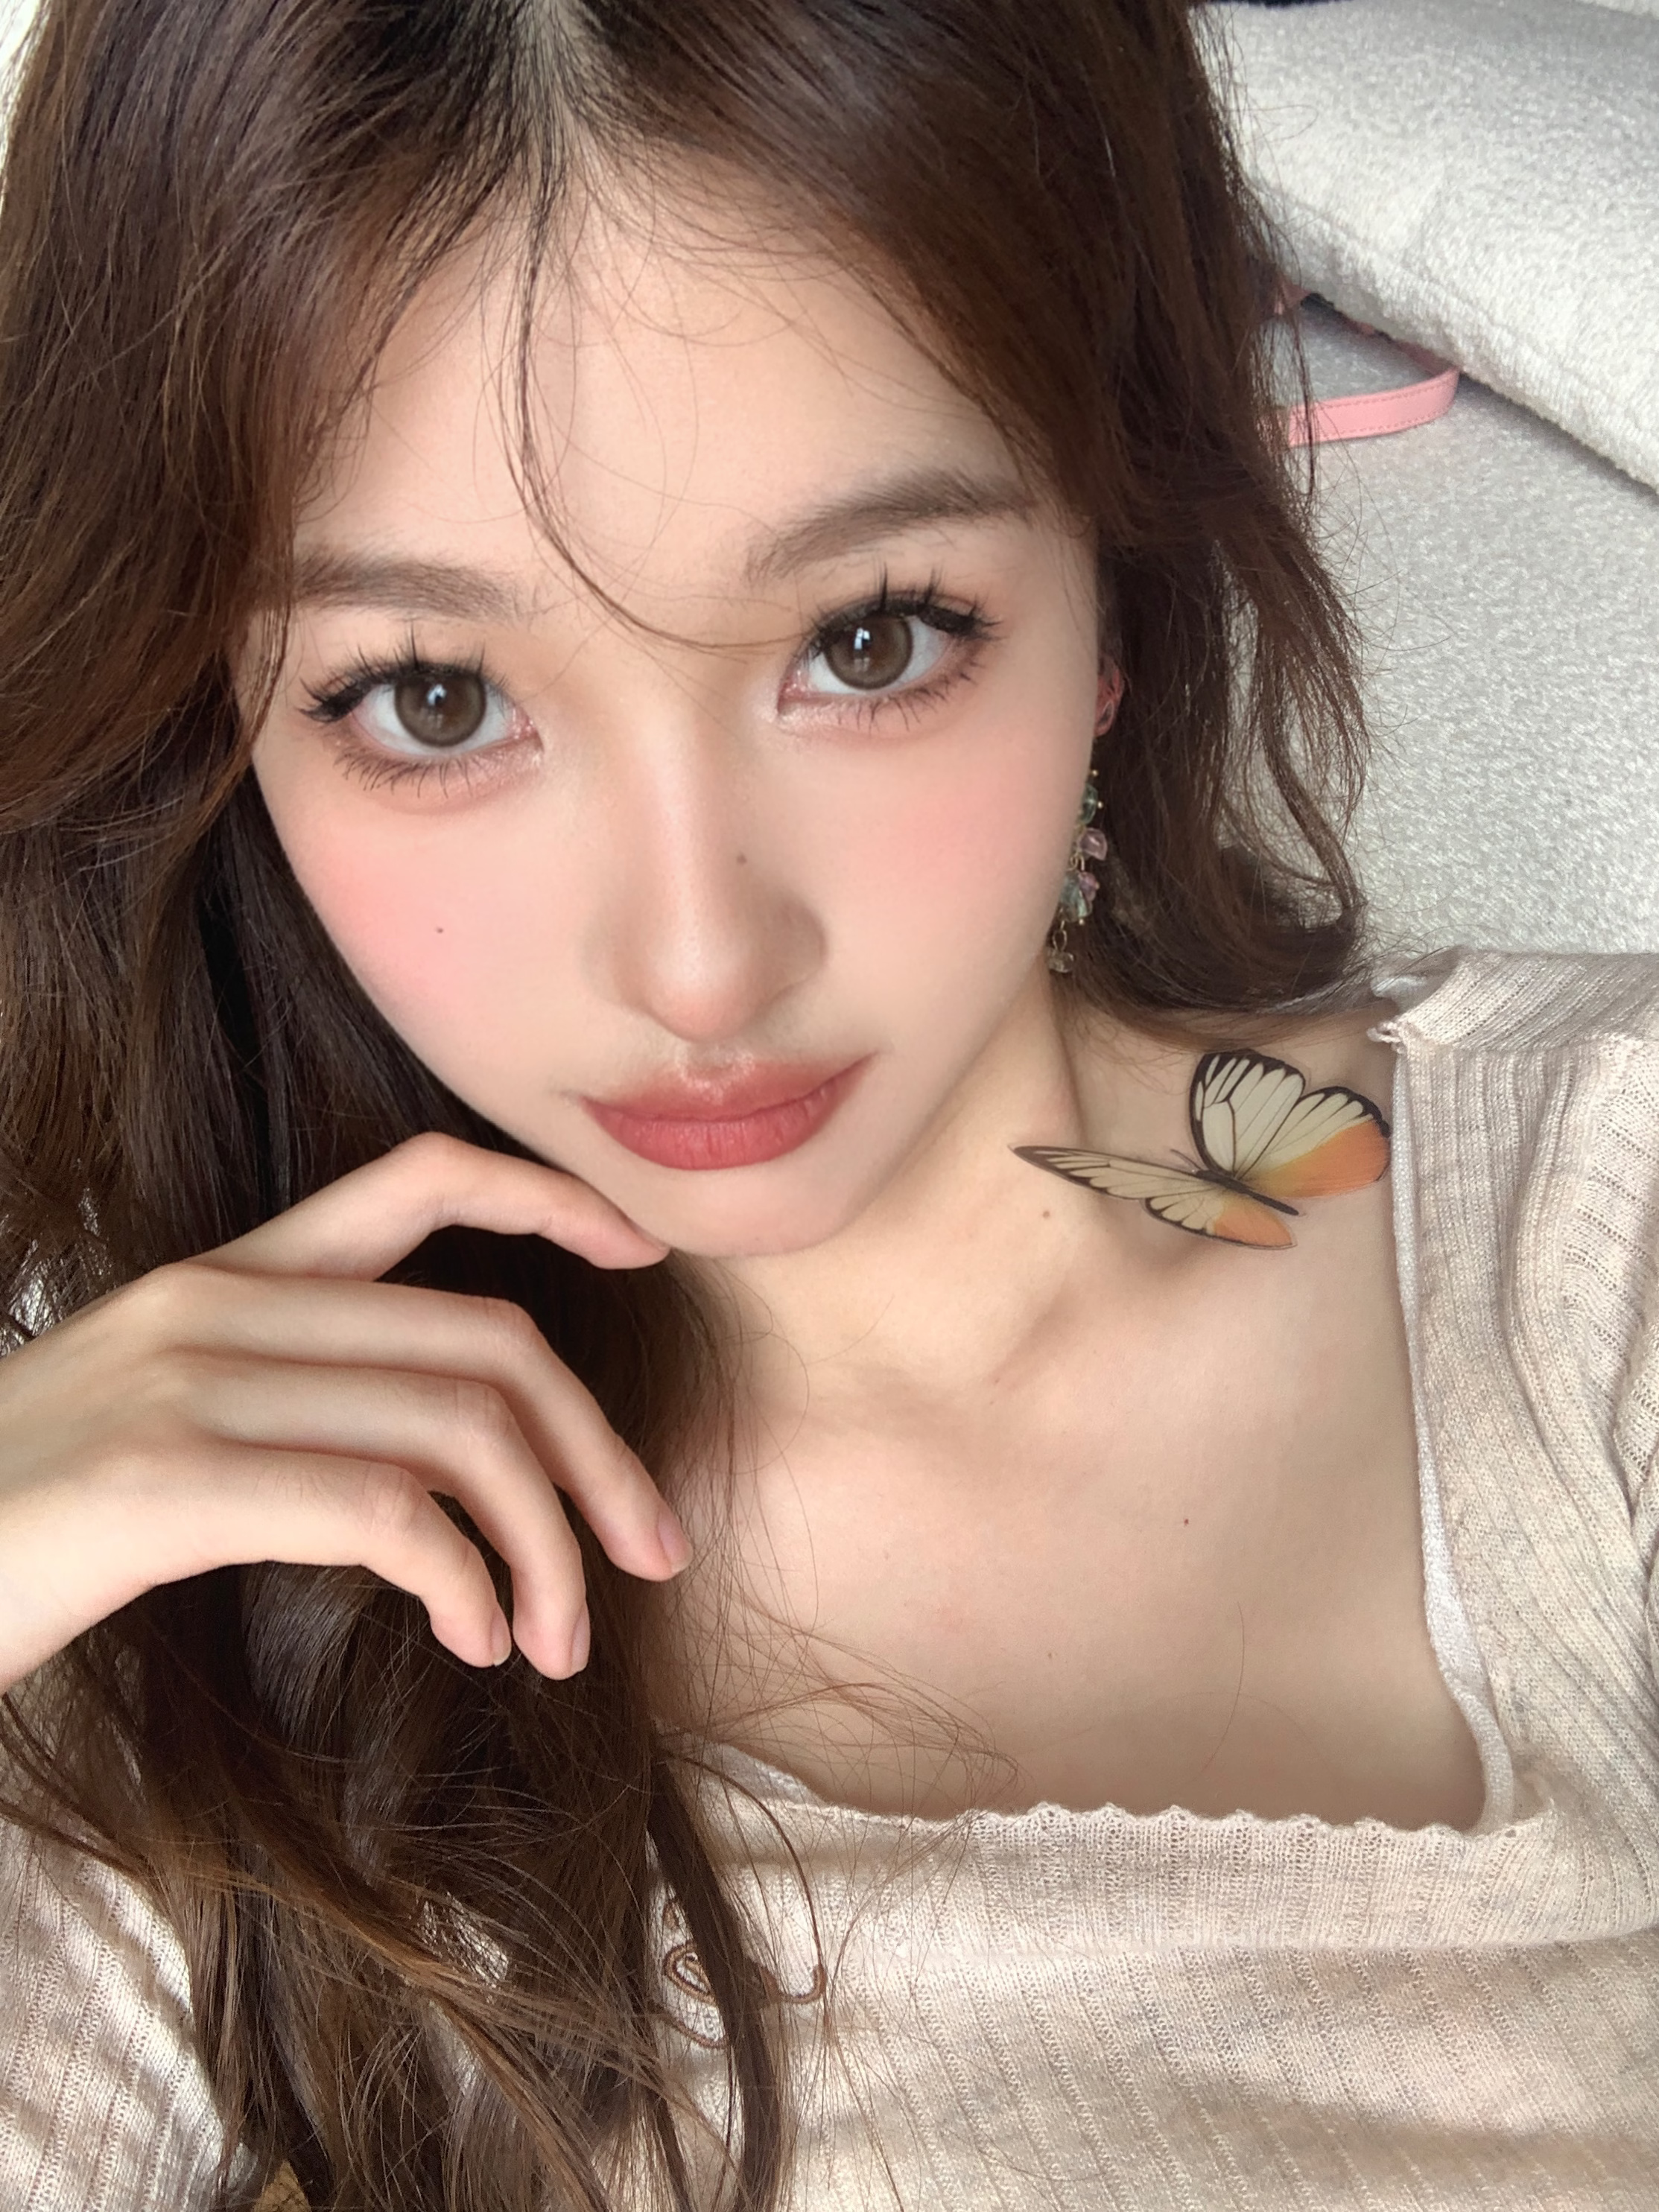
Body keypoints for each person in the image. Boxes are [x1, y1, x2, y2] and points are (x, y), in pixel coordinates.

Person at [1, 0, 1656, 2205]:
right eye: (435, 696)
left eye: (870, 641)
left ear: (1116, 596)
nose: (700, 961)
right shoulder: (166, 1618)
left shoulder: (1600, 1233)